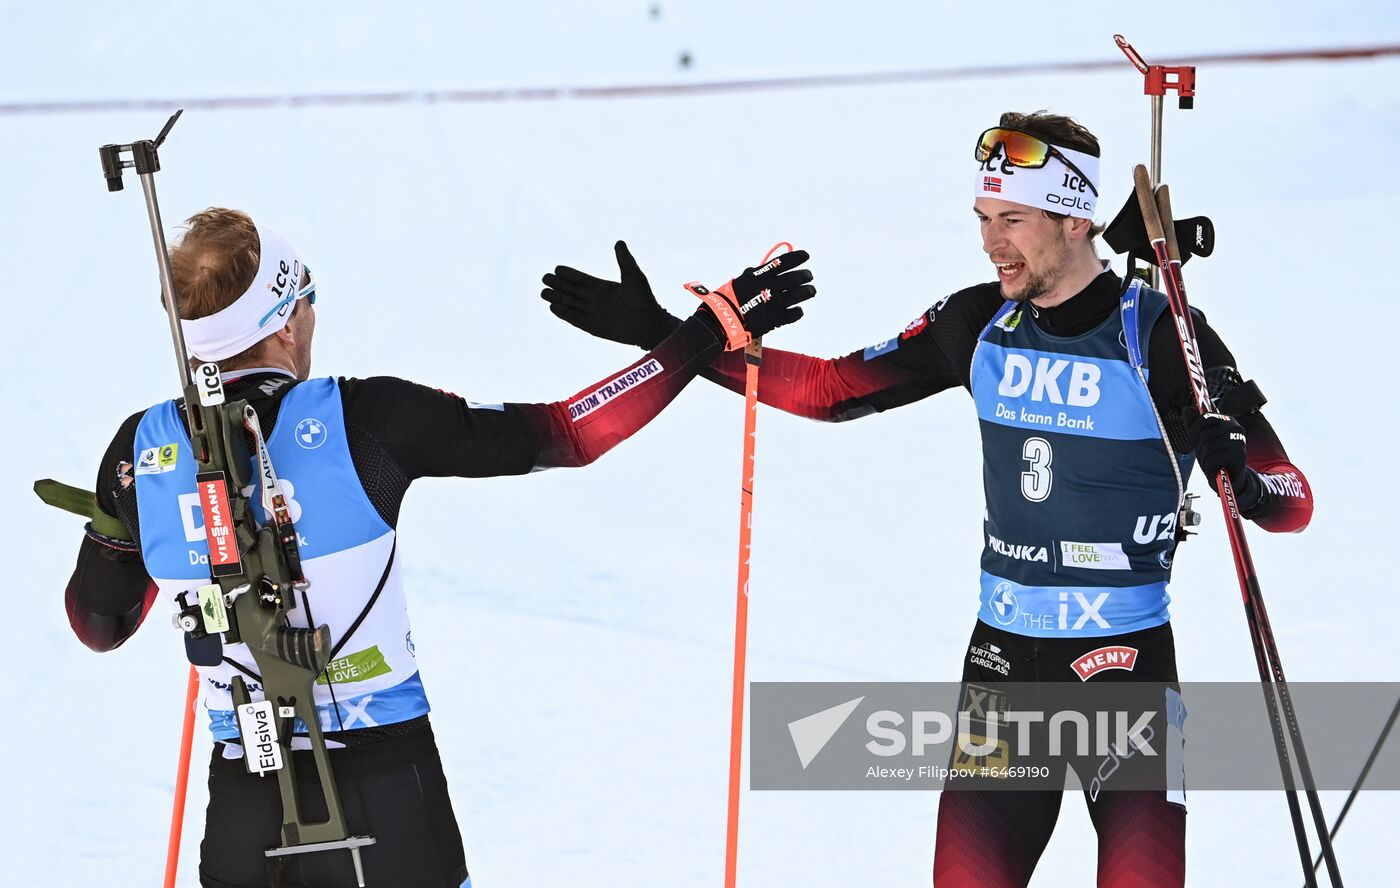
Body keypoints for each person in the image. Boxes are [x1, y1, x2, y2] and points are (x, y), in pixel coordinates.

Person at [540, 111, 1314, 887]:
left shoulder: (1159, 335)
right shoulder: (977, 321)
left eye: (1013, 219)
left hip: (1128, 669)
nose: (991, 241)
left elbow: (1292, 499)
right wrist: (672, 337)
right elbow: (830, 390)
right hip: (1003, 665)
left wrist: (1240, 478)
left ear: (1076, 220)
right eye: (983, 218)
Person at [59, 208, 816, 888]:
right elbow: (572, 433)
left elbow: (100, 625)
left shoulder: (138, 450)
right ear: (285, 321)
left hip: (246, 807)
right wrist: (706, 333)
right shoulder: (368, 418)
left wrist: (136, 520)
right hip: (390, 795)